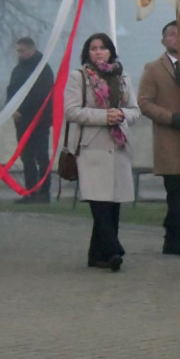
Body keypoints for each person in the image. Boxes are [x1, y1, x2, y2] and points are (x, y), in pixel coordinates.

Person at [64, 33, 141, 271]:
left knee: (114, 202)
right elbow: (72, 111)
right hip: (91, 146)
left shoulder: (123, 77)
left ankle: (98, 255)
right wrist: (102, 116)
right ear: (87, 52)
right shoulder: (79, 77)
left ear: (111, 51)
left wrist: (121, 115)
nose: (98, 52)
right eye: (94, 48)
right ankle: (113, 247)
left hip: (117, 145)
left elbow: (134, 110)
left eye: (103, 48)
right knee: (98, 202)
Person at [138, 20, 180, 256]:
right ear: (164, 40)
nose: (176, 39)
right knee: (176, 189)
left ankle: (172, 236)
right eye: (171, 35)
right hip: (169, 139)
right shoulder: (153, 68)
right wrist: (172, 118)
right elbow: (144, 103)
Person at [7, 37, 54, 203]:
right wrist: (11, 109)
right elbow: (11, 91)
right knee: (26, 157)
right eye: (18, 51)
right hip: (21, 122)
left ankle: (44, 192)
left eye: (22, 50)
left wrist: (24, 109)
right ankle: (30, 191)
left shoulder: (43, 68)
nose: (19, 54)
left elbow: (42, 95)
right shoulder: (18, 70)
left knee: (41, 156)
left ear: (31, 49)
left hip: (39, 121)